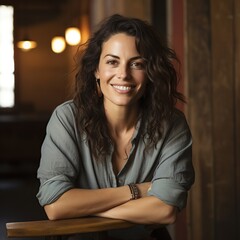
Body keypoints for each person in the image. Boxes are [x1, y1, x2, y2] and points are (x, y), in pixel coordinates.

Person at [36, 14, 195, 240]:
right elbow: (55, 205)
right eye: (112, 61)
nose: (123, 74)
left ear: (150, 73)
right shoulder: (67, 118)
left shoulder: (172, 124)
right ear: (96, 70)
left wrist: (81, 210)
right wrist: (136, 191)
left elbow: (164, 210)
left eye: (137, 64)